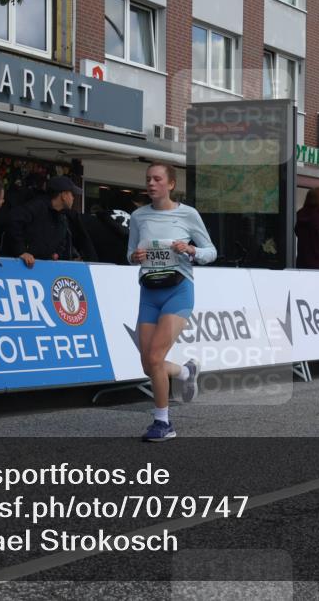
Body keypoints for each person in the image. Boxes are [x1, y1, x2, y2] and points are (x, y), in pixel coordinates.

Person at [128, 164, 217, 442]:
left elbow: (211, 252)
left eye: (157, 179)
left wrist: (190, 250)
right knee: (148, 364)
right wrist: (135, 257)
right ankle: (185, 371)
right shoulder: (138, 216)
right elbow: (130, 252)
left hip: (178, 290)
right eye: (148, 179)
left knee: (155, 358)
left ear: (171, 184)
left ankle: (163, 423)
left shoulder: (188, 214)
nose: (151, 184)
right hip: (149, 291)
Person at [5, 175, 97, 266]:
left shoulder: (63, 216)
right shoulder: (37, 206)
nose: (73, 198)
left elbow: (62, 241)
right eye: (72, 194)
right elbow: (13, 221)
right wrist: (21, 251)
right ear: (63, 195)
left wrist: (56, 254)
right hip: (19, 267)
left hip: (42, 268)